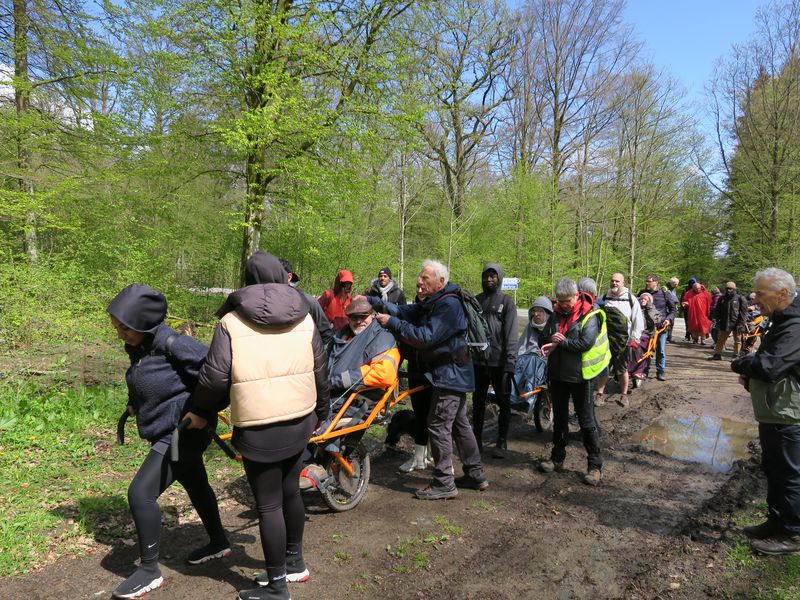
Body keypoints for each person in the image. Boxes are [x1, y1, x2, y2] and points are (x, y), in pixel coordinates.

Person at [186, 251, 329, 600]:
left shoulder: (231, 322)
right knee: (290, 491)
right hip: (300, 419)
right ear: (283, 277)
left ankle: (277, 588)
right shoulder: (304, 316)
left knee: (268, 505)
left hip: (258, 426)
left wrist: (202, 410)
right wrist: (321, 413)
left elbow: (213, 378)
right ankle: (295, 564)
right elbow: (320, 369)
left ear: (246, 279)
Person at [107, 285, 228, 599]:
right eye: (116, 326)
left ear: (144, 322)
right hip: (169, 429)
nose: (119, 332)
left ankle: (149, 570)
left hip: (182, 433)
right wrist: (134, 402)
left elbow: (218, 375)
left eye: (124, 327)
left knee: (140, 493)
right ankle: (219, 542)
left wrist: (202, 410)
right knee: (196, 484)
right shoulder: (141, 345)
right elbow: (147, 377)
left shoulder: (174, 343)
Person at [370, 259, 488, 499]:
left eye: (425, 279)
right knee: (459, 424)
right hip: (451, 373)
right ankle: (475, 474)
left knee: (438, 424)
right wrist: (375, 303)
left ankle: (444, 481)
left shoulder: (449, 307)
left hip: (450, 374)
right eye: (419, 277)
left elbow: (424, 337)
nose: (419, 282)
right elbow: (405, 311)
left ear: (440, 282)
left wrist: (392, 323)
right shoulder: (433, 301)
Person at [730, 268, 800, 555]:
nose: (755, 300)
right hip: (774, 411)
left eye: (761, 294)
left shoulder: (795, 326)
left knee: (790, 474)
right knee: (773, 469)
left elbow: (768, 367)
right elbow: (767, 361)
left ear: (783, 294)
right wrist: (753, 365)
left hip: (789, 415)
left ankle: (792, 534)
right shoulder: (780, 320)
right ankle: (776, 522)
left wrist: (741, 364)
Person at [538, 277, 606, 486]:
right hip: (557, 375)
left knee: (586, 422)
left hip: (580, 377)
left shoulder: (591, 314)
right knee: (559, 419)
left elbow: (585, 343)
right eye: (559, 301)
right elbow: (543, 338)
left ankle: (594, 466)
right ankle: (557, 458)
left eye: (567, 301)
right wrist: (551, 338)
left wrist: (563, 342)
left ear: (576, 296)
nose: (563, 305)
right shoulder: (556, 314)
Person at [471, 263, 518, 458]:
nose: (489, 280)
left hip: (499, 362)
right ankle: (476, 440)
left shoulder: (507, 302)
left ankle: (501, 440)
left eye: (493, 276)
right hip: (479, 362)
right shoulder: (476, 301)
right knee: (477, 402)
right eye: (486, 276)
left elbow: (511, 334)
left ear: (499, 278)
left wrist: (510, 362)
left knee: (503, 401)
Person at [595, 273, 644, 408]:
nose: (614, 283)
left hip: (623, 341)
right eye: (612, 281)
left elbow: (638, 321)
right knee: (603, 367)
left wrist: (634, 339)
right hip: (605, 340)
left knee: (622, 368)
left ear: (623, 282)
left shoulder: (631, 299)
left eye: (617, 281)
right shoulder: (604, 298)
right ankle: (599, 394)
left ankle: (624, 395)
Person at [279, 258, 334, 347]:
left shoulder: (308, 301)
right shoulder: (263, 303)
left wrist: (315, 355)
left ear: (289, 277)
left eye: (277, 276)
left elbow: (326, 335)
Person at [638, 275, 675, 381]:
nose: (647, 283)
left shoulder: (664, 293)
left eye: (649, 281)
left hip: (661, 327)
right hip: (645, 327)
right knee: (644, 348)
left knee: (660, 350)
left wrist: (668, 319)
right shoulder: (642, 293)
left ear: (656, 282)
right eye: (646, 281)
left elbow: (673, 310)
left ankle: (660, 371)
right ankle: (644, 370)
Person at [709, 282, 749, 361]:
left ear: (734, 289)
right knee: (720, 339)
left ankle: (735, 356)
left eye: (730, 289)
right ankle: (717, 354)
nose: (728, 290)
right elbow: (717, 310)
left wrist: (741, 324)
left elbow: (744, 313)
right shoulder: (722, 298)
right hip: (725, 322)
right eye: (727, 289)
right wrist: (715, 318)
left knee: (737, 341)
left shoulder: (740, 298)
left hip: (737, 323)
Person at [666, 277, 680, 342]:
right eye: (675, 284)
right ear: (672, 283)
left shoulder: (673, 289)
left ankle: (669, 337)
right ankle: (665, 338)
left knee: (671, 324)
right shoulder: (666, 289)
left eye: (677, 284)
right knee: (667, 324)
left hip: (672, 309)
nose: (676, 285)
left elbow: (675, 298)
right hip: (667, 309)